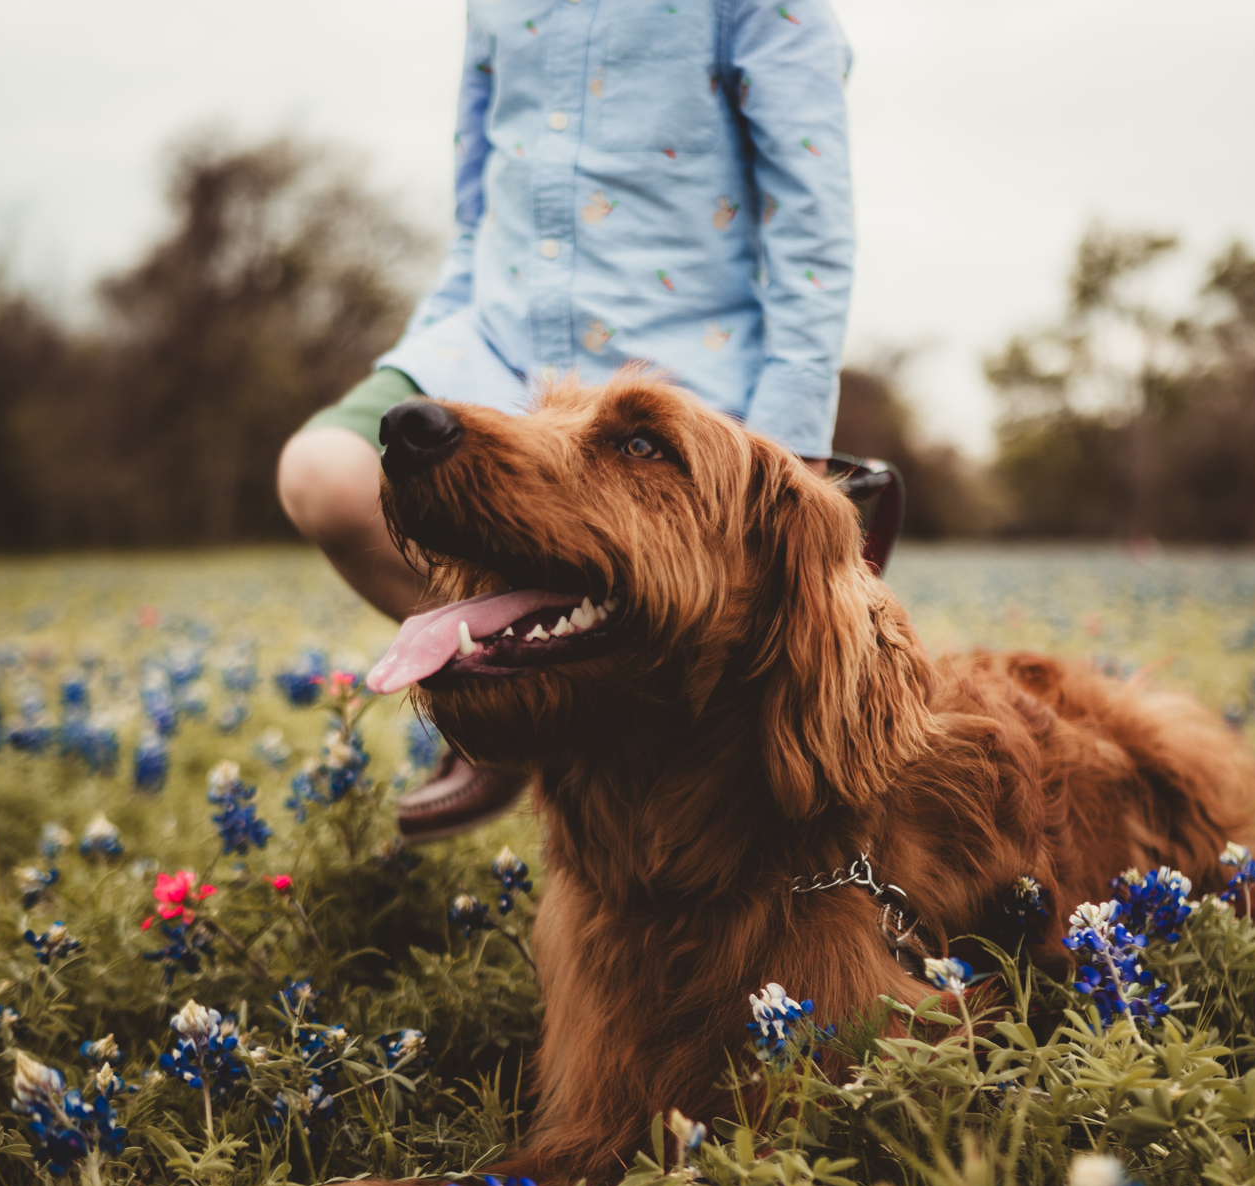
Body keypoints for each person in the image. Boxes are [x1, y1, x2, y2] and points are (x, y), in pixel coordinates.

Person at [278, 0, 856, 842]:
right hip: (495, 340)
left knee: (693, 628)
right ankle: (498, 696)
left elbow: (812, 219)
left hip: (676, 365)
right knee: (325, 472)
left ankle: (596, 729)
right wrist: (429, 346)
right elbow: (475, 219)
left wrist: (792, 435)